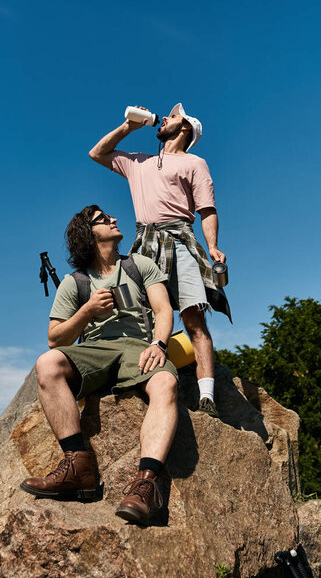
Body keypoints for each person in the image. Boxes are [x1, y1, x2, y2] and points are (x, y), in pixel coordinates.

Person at [20, 205, 179, 526]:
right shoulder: (74, 282)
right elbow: (55, 338)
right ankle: (78, 466)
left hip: (139, 348)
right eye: (104, 220)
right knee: (48, 363)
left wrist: (159, 344)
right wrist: (87, 311)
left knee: (166, 384)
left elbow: (163, 310)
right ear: (89, 235)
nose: (114, 219)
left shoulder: (139, 265)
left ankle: (145, 484)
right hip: (94, 351)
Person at [89, 103, 231, 418]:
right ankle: (143, 379)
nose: (164, 117)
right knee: (132, 312)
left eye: (174, 116)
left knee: (194, 316)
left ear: (186, 129)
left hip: (180, 240)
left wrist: (213, 246)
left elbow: (206, 208)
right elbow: (97, 153)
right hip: (144, 243)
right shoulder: (139, 161)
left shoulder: (195, 162)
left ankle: (207, 396)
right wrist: (128, 127)